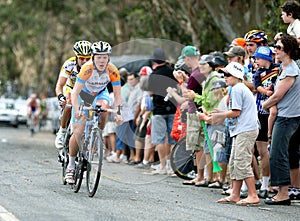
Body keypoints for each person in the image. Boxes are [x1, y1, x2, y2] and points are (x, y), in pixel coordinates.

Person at [65, 41, 123, 184]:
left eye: (105, 57)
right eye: (99, 57)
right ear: (93, 57)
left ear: (108, 58)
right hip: (83, 94)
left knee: (104, 109)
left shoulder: (113, 70)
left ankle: (98, 134)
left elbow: (117, 95)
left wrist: (118, 112)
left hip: (100, 94)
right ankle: (71, 166)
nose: (102, 60)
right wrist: (77, 108)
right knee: (78, 131)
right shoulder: (86, 69)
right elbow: (75, 92)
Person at [207, 62, 260, 206]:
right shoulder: (237, 88)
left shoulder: (237, 89)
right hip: (242, 129)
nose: (225, 77)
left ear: (236, 76)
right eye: (224, 74)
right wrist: (221, 112)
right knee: (235, 161)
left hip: (245, 129)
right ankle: (235, 194)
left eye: (228, 74)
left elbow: (236, 112)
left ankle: (253, 195)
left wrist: (221, 115)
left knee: (242, 161)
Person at [263, 34, 300, 206]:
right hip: (285, 116)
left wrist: (265, 104)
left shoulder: (291, 70)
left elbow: (278, 95)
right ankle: (281, 191)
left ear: (288, 50)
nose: (275, 50)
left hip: (287, 118)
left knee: (278, 154)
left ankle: (283, 193)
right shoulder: (283, 68)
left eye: (278, 48)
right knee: (280, 152)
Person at [173, 46, 206, 183]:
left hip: (195, 112)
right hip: (200, 110)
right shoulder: (199, 72)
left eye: (185, 59)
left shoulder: (196, 74)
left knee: (197, 146)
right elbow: (193, 87)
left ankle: (200, 176)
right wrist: (186, 79)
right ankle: (201, 176)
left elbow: (188, 95)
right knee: (198, 146)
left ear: (188, 58)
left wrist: (181, 82)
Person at [252, 46, 280, 198]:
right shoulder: (258, 72)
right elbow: (257, 87)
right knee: (262, 150)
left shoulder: (278, 69)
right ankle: (264, 184)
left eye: (258, 58)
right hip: (262, 111)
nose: (256, 61)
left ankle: (272, 183)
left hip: (278, 111)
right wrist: (266, 92)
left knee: (272, 150)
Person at [55, 40, 92, 150]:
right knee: (69, 103)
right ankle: (62, 132)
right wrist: (61, 96)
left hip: (84, 90)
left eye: (87, 58)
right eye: (81, 58)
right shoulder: (69, 64)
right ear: (76, 56)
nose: (84, 61)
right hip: (70, 88)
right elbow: (59, 85)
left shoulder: (93, 66)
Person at [148, 48, 178, 175]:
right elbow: (178, 87)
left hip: (158, 110)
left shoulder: (153, 75)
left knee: (159, 139)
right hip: (172, 108)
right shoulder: (172, 72)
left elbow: (150, 92)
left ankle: (163, 165)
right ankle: (172, 167)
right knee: (173, 139)